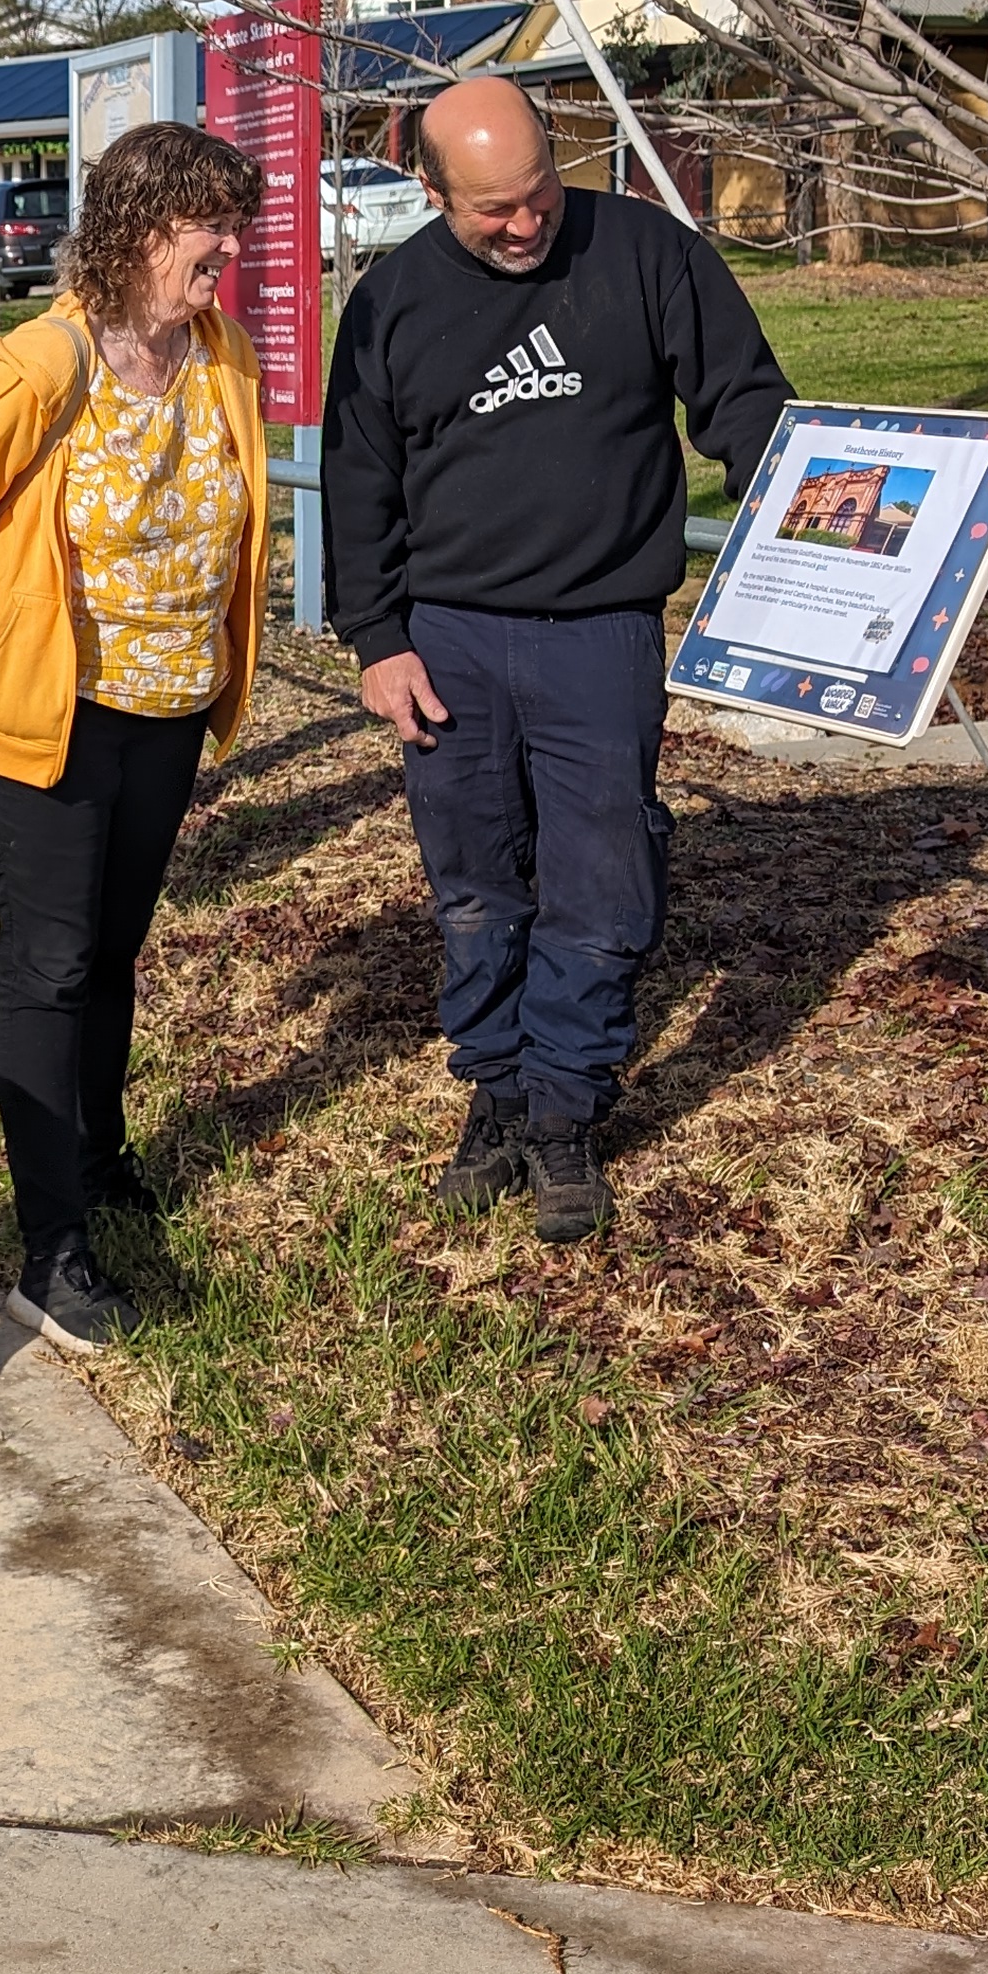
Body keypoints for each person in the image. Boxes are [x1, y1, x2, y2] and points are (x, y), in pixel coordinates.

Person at [321, 75, 791, 1245]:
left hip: (601, 632)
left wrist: (841, 527)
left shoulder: (646, 254)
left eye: (539, 192)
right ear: (428, 192)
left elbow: (746, 407)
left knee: (601, 882)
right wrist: (377, 643)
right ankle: (497, 1087)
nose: (526, 223)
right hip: (450, 640)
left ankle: (568, 1108)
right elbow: (358, 486)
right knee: (477, 884)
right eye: (492, 209)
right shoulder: (391, 303)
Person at [0, 120, 270, 1353]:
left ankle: (97, 1165)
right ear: (141, 229)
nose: (232, 246)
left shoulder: (219, 353)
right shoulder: (41, 363)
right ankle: (52, 1254)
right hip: (47, 721)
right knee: (48, 966)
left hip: (166, 710)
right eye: (212, 222)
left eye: (235, 221)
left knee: (113, 953)